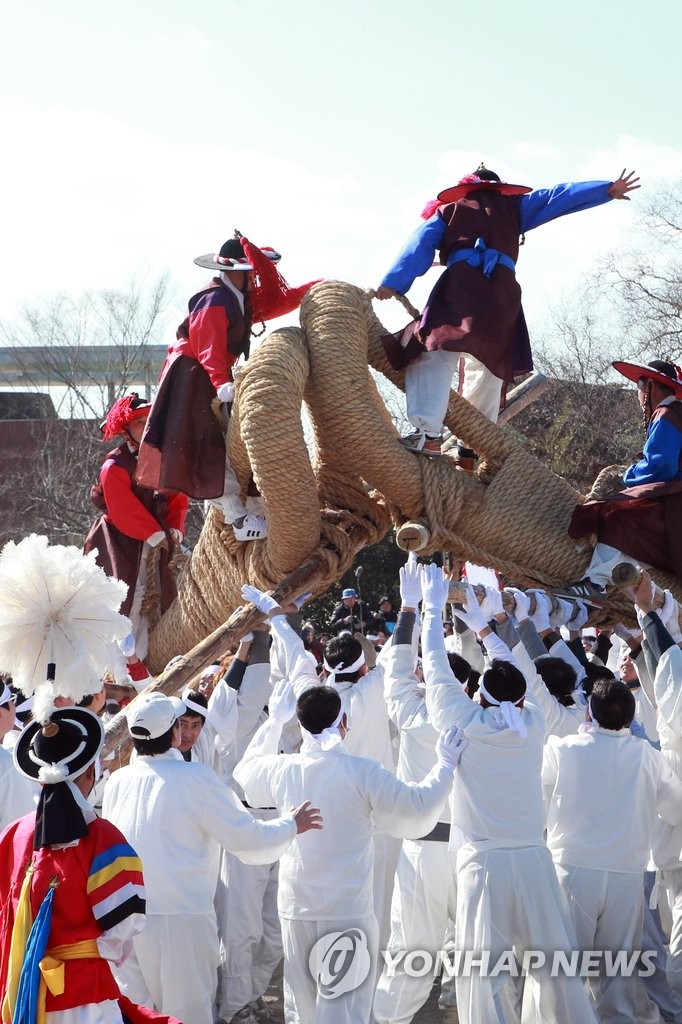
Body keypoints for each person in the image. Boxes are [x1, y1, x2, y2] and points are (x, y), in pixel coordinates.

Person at [233, 584, 465, 1024]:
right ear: (362, 670)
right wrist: (414, 606)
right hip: (373, 825)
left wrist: (276, 617)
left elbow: (299, 659)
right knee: (370, 936)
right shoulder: (372, 692)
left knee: (304, 995)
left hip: (306, 872)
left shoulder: (309, 697)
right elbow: (399, 656)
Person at [421, 565, 600, 1023]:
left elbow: (438, 671)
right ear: (522, 700)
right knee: (557, 971)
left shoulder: (467, 725)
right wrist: (486, 628)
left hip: (484, 866)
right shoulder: (534, 723)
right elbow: (520, 675)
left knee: (485, 977)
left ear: (478, 694)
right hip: (535, 861)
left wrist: (428, 609)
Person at [376, 166, 639, 464]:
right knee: (490, 364)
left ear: (467, 189)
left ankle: (427, 434)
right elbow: (556, 197)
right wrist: (605, 189)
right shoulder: (515, 206)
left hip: (461, 286)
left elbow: (420, 244)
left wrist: (393, 282)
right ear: (499, 188)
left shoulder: (449, 210)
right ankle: (472, 446)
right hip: (502, 293)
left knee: (433, 348)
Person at [102, 692, 321, 1024]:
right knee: (187, 1016)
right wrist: (290, 825)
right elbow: (247, 838)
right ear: (174, 733)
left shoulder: (117, 782)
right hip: (183, 922)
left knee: (138, 1014)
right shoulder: (197, 780)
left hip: (127, 922)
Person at [0, 698, 183, 1024]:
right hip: (86, 997)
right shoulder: (101, 837)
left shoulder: (13, 834)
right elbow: (125, 926)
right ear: (89, 772)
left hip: (20, 991)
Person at [135, 233, 317, 543]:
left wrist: (314, 288)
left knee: (228, 442)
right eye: (252, 273)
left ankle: (252, 508)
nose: (257, 278)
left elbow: (275, 304)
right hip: (192, 376)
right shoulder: (215, 298)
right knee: (210, 445)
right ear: (237, 272)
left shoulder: (238, 298)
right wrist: (222, 383)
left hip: (209, 374)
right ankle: (238, 518)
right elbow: (208, 345)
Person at [542, 678, 682, 1021]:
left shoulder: (560, 749)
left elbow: (536, 806)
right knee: (616, 981)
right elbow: (677, 811)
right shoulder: (649, 757)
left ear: (589, 712)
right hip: (625, 876)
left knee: (563, 975)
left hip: (571, 871)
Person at [554, 358, 682, 607]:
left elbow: (661, 465)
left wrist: (630, 475)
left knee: (616, 516)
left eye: (638, 387)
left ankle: (593, 584)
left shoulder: (667, 414)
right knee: (634, 531)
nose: (637, 394)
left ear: (650, 388)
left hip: (674, 506)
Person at [83, 393, 188, 663]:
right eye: (138, 421)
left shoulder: (163, 458)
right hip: (119, 542)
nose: (145, 425)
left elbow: (176, 495)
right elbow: (123, 511)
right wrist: (157, 535)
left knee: (158, 599)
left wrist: (175, 529)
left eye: (148, 420)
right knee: (127, 599)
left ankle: (150, 661)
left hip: (155, 539)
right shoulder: (115, 465)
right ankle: (124, 665)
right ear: (125, 429)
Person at [0, 681, 34, 832]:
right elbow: (22, 828)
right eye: (11, 701)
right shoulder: (6, 764)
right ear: (1, 713)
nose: (14, 707)